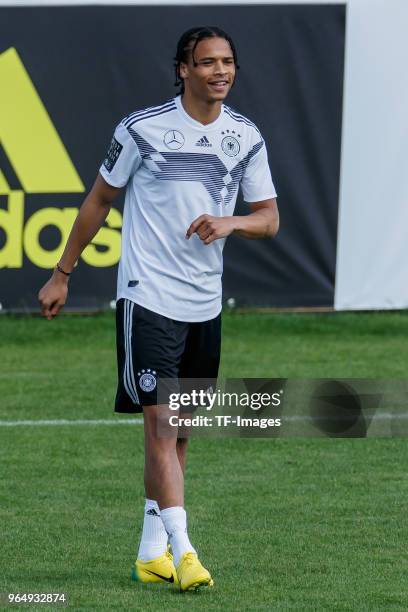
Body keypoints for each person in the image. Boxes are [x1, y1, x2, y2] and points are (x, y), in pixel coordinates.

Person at [38, 25, 279, 592]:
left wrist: (232, 222)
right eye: (207, 62)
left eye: (228, 62)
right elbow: (100, 198)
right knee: (161, 424)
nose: (220, 71)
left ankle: (151, 551)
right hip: (148, 295)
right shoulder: (142, 130)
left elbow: (268, 218)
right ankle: (185, 549)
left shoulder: (245, 137)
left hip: (205, 302)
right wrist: (62, 272)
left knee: (181, 431)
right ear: (183, 69)